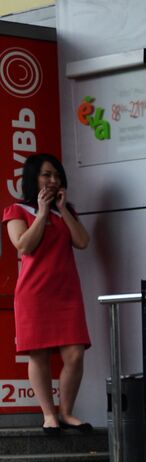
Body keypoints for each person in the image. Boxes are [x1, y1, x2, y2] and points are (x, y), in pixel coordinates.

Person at [3, 154, 92, 433]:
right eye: (46, 175)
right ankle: (49, 414)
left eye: (57, 175)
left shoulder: (66, 211)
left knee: (75, 353)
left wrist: (62, 210)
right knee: (38, 354)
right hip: (34, 293)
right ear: (32, 178)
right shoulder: (16, 210)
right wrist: (41, 213)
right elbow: (24, 246)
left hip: (67, 293)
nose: (53, 180)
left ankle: (66, 412)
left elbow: (82, 241)